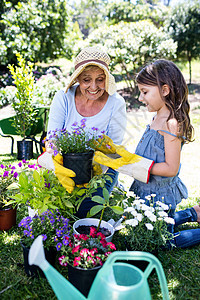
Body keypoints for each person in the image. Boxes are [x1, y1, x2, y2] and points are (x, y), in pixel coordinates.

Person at [94, 59, 200, 248]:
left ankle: (193, 222)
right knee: (152, 224)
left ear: (165, 90)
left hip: (160, 196)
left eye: (145, 92)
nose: (141, 98)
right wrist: (124, 156)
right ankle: (194, 213)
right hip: (146, 191)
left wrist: (137, 166)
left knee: (162, 240)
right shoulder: (157, 117)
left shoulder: (171, 123)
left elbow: (171, 168)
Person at [41, 46, 153, 218]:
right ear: (77, 78)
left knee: (84, 214)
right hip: (66, 166)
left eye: (100, 79)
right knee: (57, 211)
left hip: (102, 170)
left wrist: (96, 168)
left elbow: (113, 148)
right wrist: (60, 164)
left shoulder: (116, 103)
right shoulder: (63, 98)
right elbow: (53, 140)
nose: (94, 87)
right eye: (86, 79)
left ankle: (111, 189)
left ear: (107, 79)